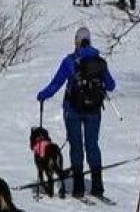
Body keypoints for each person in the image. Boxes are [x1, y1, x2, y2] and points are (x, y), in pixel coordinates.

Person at [36, 26, 116, 198]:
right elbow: (111, 85)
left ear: (76, 41)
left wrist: (43, 95)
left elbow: (56, 84)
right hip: (94, 110)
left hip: (72, 109)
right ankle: (97, 186)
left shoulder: (70, 61)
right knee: (93, 146)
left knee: (76, 147)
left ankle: (78, 187)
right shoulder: (99, 62)